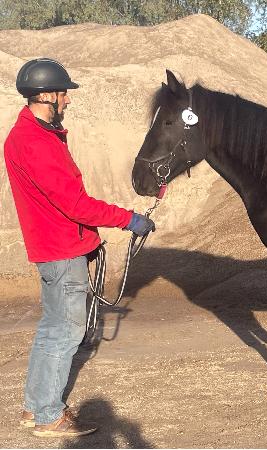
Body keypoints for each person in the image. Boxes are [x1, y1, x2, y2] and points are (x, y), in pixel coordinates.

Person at [3, 58, 155, 438]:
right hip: (61, 250)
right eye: (63, 93)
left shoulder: (30, 135)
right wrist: (127, 218)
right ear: (46, 96)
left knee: (51, 329)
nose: (68, 100)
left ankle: (36, 406)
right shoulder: (36, 143)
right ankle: (49, 416)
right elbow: (75, 204)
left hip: (53, 247)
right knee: (66, 332)